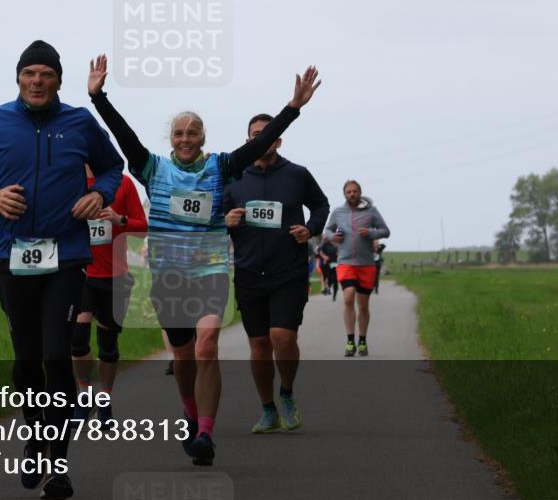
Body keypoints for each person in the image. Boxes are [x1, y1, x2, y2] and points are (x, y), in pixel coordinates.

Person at [87, 53, 321, 466]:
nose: (186, 137)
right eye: (179, 132)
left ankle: (206, 434)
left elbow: (259, 145)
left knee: (207, 345)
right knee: (182, 357)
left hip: (210, 271)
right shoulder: (152, 168)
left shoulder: (222, 167)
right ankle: (192, 417)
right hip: (168, 276)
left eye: (193, 132)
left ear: (203, 137)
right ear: (170, 138)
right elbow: (122, 136)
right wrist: (99, 97)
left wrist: (293, 109)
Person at [0, 40, 124, 500]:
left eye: (46, 74)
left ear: (58, 81)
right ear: (18, 79)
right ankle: (37, 434)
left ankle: (56, 463)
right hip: (14, 257)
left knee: (56, 356)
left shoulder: (79, 122)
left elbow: (113, 168)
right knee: (26, 361)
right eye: (29, 73)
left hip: (66, 256)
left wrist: (101, 195)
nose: (37, 81)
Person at [223, 113, 329, 434]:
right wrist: (226, 220)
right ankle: (267, 409)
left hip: (288, 270)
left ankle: (286, 392)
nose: (261, 139)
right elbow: (216, 213)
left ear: (278, 140)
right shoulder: (234, 177)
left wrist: (310, 229)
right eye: (255, 135)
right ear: (247, 140)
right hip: (249, 270)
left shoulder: (297, 174)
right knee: (258, 345)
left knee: (282, 337)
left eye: (267, 135)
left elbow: (321, 205)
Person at [72, 165, 148, 425]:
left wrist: (119, 220)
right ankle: (84, 398)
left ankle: (104, 402)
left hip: (114, 276)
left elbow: (143, 226)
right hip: (80, 273)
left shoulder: (123, 183)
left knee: (107, 345)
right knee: (77, 340)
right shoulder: (70, 180)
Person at [324, 180, 391, 357]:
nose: (352, 194)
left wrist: (371, 233)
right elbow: (327, 232)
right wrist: (334, 237)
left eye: (354, 191)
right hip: (346, 262)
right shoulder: (338, 212)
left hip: (366, 264)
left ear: (360, 193)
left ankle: (362, 341)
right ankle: (349, 341)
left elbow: (385, 231)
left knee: (363, 305)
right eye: (348, 192)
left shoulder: (371, 212)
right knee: (348, 297)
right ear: (344, 194)